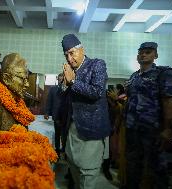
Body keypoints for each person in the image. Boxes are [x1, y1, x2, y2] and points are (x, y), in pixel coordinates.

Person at [124, 42, 172, 189]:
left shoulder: (163, 72)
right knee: (133, 165)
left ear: (156, 55)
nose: (143, 54)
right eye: (141, 52)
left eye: (148, 52)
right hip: (133, 129)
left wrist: (168, 129)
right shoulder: (134, 76)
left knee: (157, 167)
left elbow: (169, 101)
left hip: (153, 129)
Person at [62, 34, 111, 189]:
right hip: (73, 129)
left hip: (91, 130)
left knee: (88, 174)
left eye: (72, 53)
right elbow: (66, 99)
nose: (69, 59)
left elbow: (97, 92)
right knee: (74, 169)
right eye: (66, 55)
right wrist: (63, 84)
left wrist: (73, 81)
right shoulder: (70, 70)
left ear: (81, 49)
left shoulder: (97, 64)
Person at [44, 73, 65, 158]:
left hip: (65, 116)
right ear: (57, 80)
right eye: (59, 80)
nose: (60, 81)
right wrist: (47, 112)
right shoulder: (53, 89)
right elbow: (49, 101)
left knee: (64, 134)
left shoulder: (69, 89)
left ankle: (64, 150)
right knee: (57, 133)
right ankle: (57, 150)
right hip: (56, 115)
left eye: (62, 80)